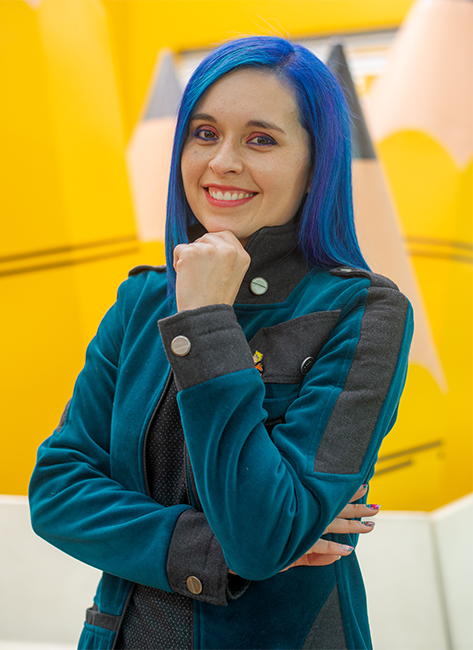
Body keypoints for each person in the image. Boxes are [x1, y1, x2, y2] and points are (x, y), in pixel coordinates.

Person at [29, 36, 413, 650]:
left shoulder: (362, 312)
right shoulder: (141, 300)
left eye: (261, 140)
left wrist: (206, 319)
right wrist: (216, 549)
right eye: (204, 134)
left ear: (316, 164)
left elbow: (261, 537)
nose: (222, 162)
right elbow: (57, 491)